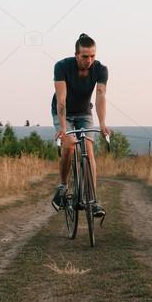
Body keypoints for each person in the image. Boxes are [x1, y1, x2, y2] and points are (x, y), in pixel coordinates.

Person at [51, 33, 110, 216]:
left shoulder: (101, 69)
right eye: (85, 56)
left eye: (93, 55)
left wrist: (102, 123)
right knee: (69, 145)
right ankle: (63, 186)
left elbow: (100, 96)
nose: (89, 60)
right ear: (76, 54)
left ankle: (92, 200)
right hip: (64, 113)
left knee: (89, 151)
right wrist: (63, 128)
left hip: (84, 112)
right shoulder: (62, 67)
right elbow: (61, 99)